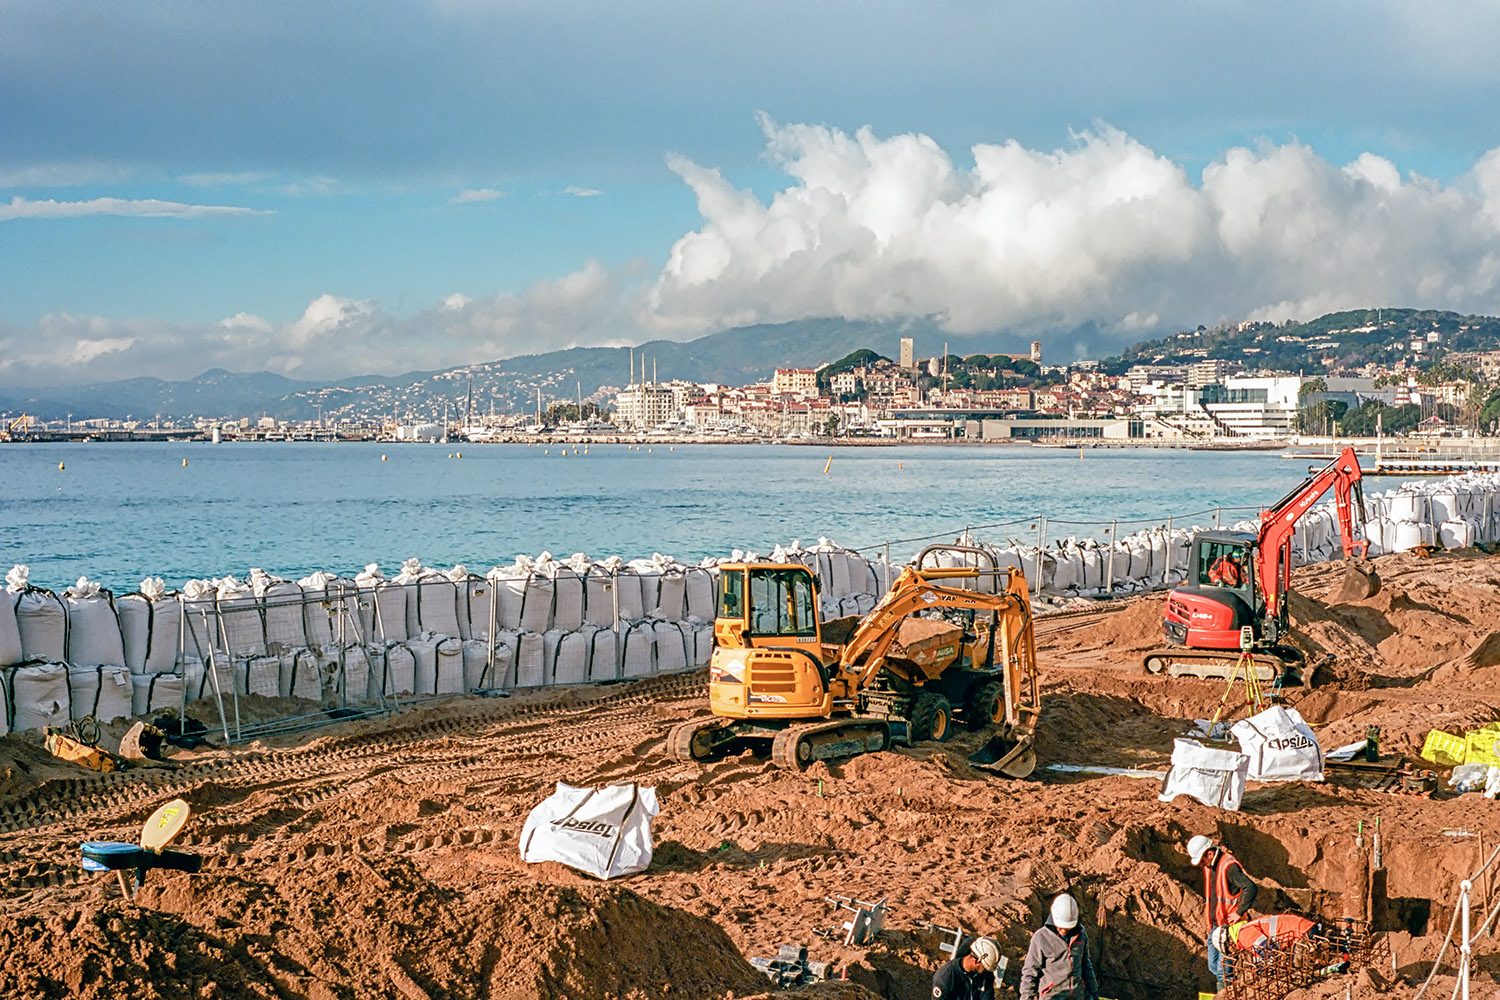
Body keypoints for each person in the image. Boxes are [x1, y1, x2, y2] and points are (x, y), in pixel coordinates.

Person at [1189, 835, 1260, 989]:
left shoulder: (1229, 867)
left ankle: (1227, 993)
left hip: (1229, 927)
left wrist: (1239, 912)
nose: (1202, 865)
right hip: (1216, 925)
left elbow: (1251, 887)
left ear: (1209, 854)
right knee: (1212, 966)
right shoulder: (1210, 867)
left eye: (1202, 861)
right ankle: (1227, 989)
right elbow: (1213, 896)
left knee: (1223, 970)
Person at [1019, 894, 1099, 1000]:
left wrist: (1093, 992)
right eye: (1061, 927)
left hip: (1077, 996)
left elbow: (1085, 965)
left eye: (1068, 927)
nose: (1064, 930)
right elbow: (1030, 972)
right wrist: (1026, 997)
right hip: (1052, 996)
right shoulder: (1041, 938)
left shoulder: (1081, 935)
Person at [1212, 914, 1318, 956]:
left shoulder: (1243, 935)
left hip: (1304, 933)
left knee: (1299, 970)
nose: (1231, 953)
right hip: (1303, 930)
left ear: (1229, 943)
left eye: (1228, 951)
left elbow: (1267, 950)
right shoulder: (1243, 934)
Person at [932, 935, 1000, 1000]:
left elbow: (987, 996)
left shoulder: (986, 974)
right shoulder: (945, 978)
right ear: (977, 961)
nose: (986, 972)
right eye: (985, 968)